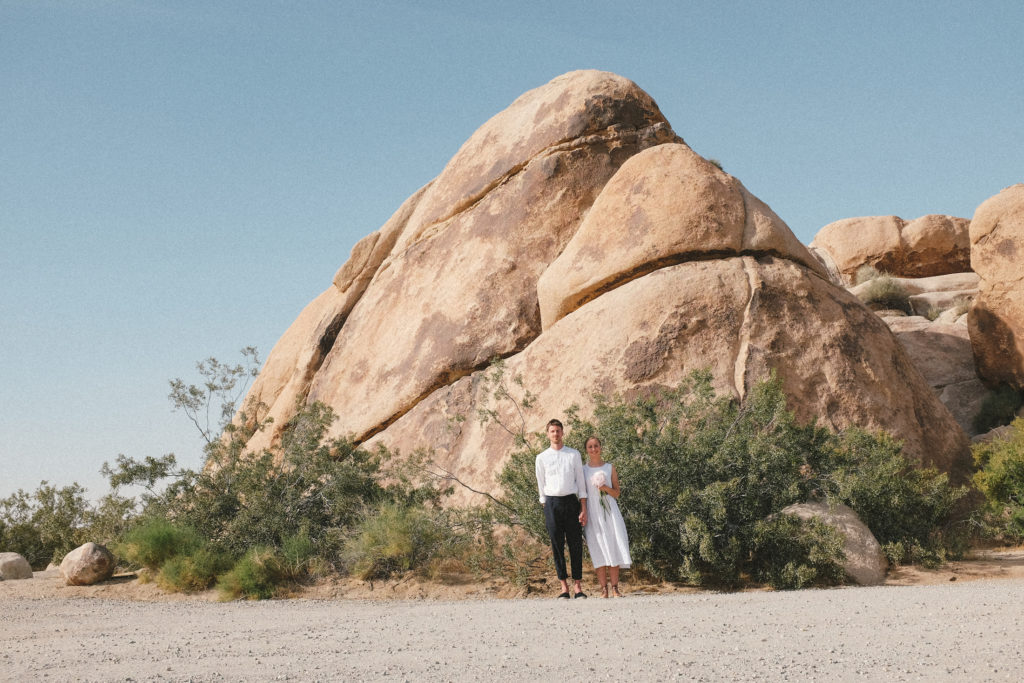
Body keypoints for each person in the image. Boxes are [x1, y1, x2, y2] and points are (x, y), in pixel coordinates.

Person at [535, 418, 588, 599]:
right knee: (557, 544)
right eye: (552, 431)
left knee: (575, 544)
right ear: (547, 434)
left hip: (571, 502)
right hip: (552, 503)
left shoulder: (573, 454)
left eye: (558, 430)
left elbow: (581, 482)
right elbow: (540, 483)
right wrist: (545, 504)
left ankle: (578, 587)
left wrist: (583, 507)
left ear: (562, 432)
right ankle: (563, 586)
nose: (555, 434)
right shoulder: (541, 458)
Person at [582, 436, 631, 598]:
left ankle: (615, 588)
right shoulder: (583, 470)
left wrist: (604, 487)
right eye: (590, 446)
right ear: (586, 450)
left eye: (596, 445)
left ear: (601, 447)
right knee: (598, 548)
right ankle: (604, 589)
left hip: (609, 511)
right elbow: (582, 493)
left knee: (613, 545)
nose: (593, 449)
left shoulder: (610, 468)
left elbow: (617, 493)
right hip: (593, 512)